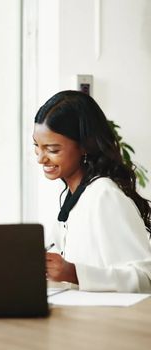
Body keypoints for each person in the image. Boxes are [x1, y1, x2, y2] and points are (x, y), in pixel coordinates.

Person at [33, 90, 151, 292]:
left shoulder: (104, 195)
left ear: (84, 147)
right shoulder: (75, 198)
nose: (40, 158)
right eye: (37, 146)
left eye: (52, 150)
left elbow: (146, 279)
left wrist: (74, 272)